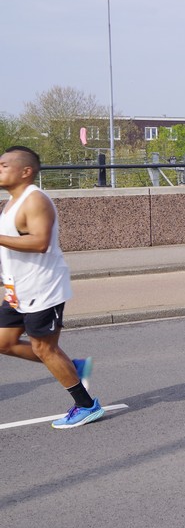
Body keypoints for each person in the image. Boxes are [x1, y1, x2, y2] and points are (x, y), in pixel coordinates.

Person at [0, 146, 103, 428]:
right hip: (17, 288)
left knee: (44, 348)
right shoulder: (11, 203)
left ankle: (87, 405)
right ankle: (73, 367)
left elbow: (40, 242)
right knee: (4, 343)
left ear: (26, 171)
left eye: (4, 165)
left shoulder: (34, 200)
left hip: (42, 287)